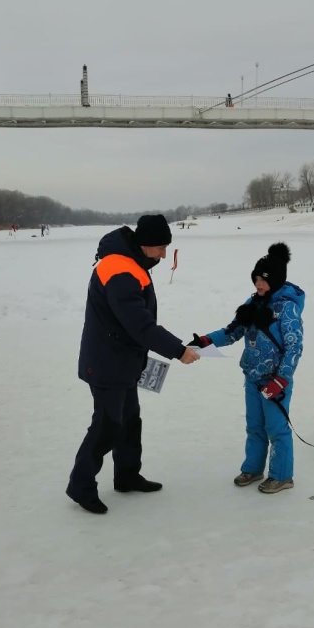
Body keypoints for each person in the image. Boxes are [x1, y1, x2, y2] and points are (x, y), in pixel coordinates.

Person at [66, 214, 200, 514]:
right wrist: (178, 350)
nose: (164, 254)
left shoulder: (132, 262)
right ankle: (80, 485)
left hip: (122, 361)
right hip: (105, 364)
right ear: (145, 244)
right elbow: (138, 324)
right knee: (107, 426)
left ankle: (127, 475)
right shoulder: (120, 269)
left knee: (129, 421)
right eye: (161, 247)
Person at [188, 243, 304, 494]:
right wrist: (206, 341)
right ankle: (253, 468)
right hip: (252, 376)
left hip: (275, 381)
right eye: (256, 279)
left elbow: (294, 347)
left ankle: (282, 476)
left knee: (276, 429)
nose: (258, 285)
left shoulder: (288, 308)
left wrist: (282, 379)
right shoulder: (253, 303)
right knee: (254, 426)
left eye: (263, 280)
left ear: (275, 280)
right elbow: (233, 331)